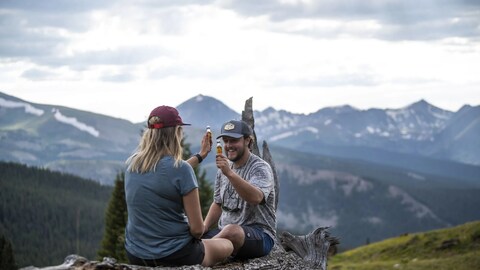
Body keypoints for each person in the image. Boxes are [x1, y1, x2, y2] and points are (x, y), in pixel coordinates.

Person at [124, 105, 233, 267]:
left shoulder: (132, 164)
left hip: (136, 254)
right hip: (176, 254)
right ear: (176, 133)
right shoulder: (181, 170)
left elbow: (164, 176)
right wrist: (204, 229)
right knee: (228, 244)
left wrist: (200, 156)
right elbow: (197, 230)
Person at [203, 119, 276, 260]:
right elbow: (217, 203)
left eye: (234, 140)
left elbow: (256, 198)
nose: (229, 145)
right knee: (191, 228)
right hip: (222, 231)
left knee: (232, 231)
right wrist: (204, 227)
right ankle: (205, 249)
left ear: (248, 141)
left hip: (259, 235)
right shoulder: (224, 169)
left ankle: (200, 252)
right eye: (226, 141)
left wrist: (230, 174)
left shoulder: (260, 168)